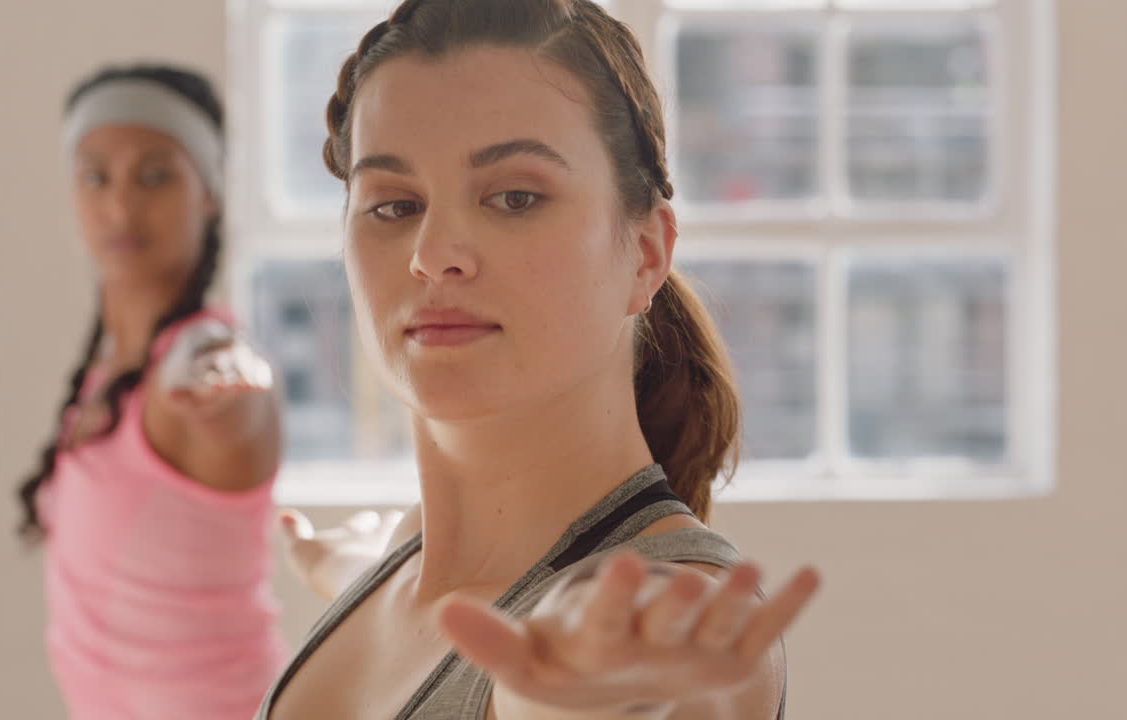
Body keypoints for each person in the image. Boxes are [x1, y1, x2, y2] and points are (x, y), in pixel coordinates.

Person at [257, 1, 821, 718]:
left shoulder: (661, 619)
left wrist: (567, 697)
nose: (433, 256)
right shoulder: (406, 555)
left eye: (515, 197)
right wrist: (344, 559)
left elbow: (630, 681)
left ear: (645, 254)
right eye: (394, 205)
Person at [16, 63, 288, 720]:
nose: (120, 205)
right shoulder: (109, 368)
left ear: (208, 194)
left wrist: (221, 380)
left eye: (156, 174)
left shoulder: (202, 360)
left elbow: (226, 380)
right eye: (96, 176)